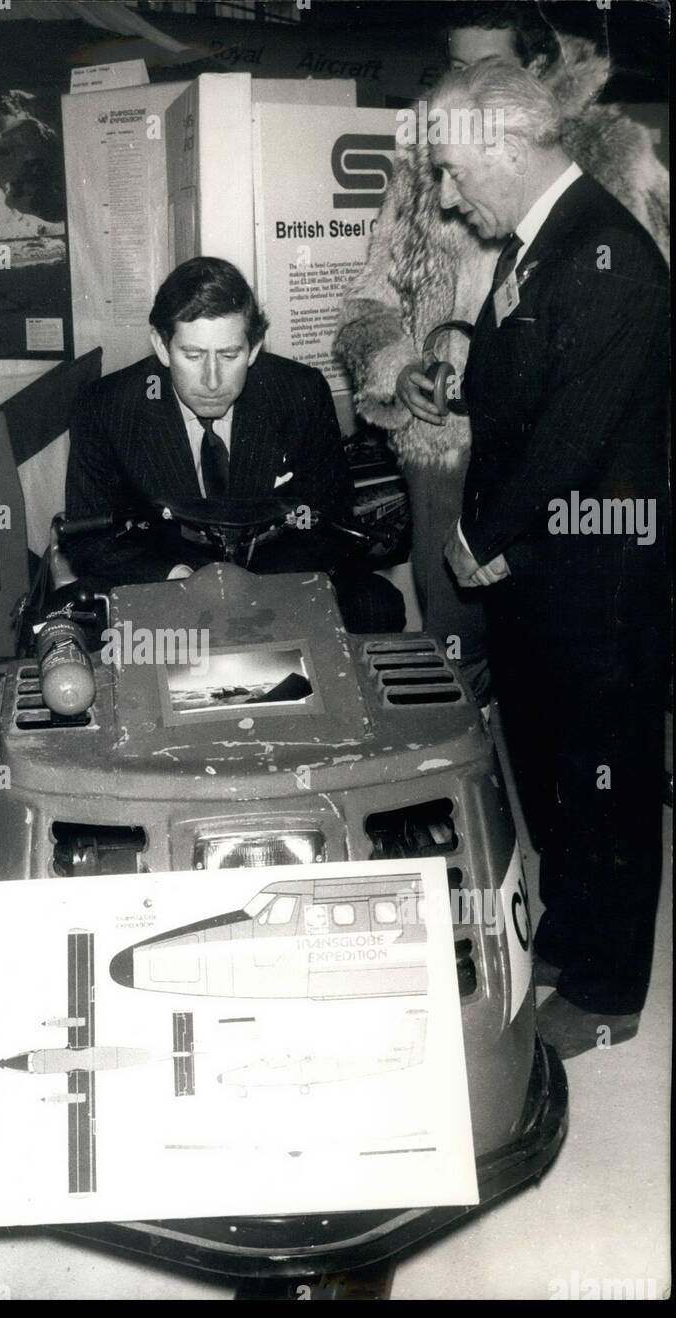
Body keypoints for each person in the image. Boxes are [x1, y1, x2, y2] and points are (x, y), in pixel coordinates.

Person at [425, 61, 668, 1059]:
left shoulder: (610, 256)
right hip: (539, 568)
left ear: (501, 146)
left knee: (605, 778)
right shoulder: (543, 244)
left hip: (596, 574)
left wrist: (482, 538)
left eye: (449, 170)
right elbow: (525, 395)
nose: (446, 194)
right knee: (555, 770)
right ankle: (568, 941)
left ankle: (608, 992)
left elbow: (573, 433)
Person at [335, 2, 668, 703]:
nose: (467, 81)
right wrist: (399, 374)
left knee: (562, 660)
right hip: (446, 451)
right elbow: (366, 306)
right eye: (457, 66)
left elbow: (637, 338)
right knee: (453, 654)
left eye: (489, 66)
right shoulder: (425, 169)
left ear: (535, 73)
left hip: (568, 470)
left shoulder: (612, 158)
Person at [64, 257, 404, 634]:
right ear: (161, 347)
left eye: (229, 355)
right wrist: (179, 578)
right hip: (163, 583)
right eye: (192, 356)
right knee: (78, 626)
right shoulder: (105, 407)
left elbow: (329, 520)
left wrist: (249, 587)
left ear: (254, 348)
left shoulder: (300, 392)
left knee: (375, 603)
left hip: (272, 578)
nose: (212, 380)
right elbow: (87, 538)